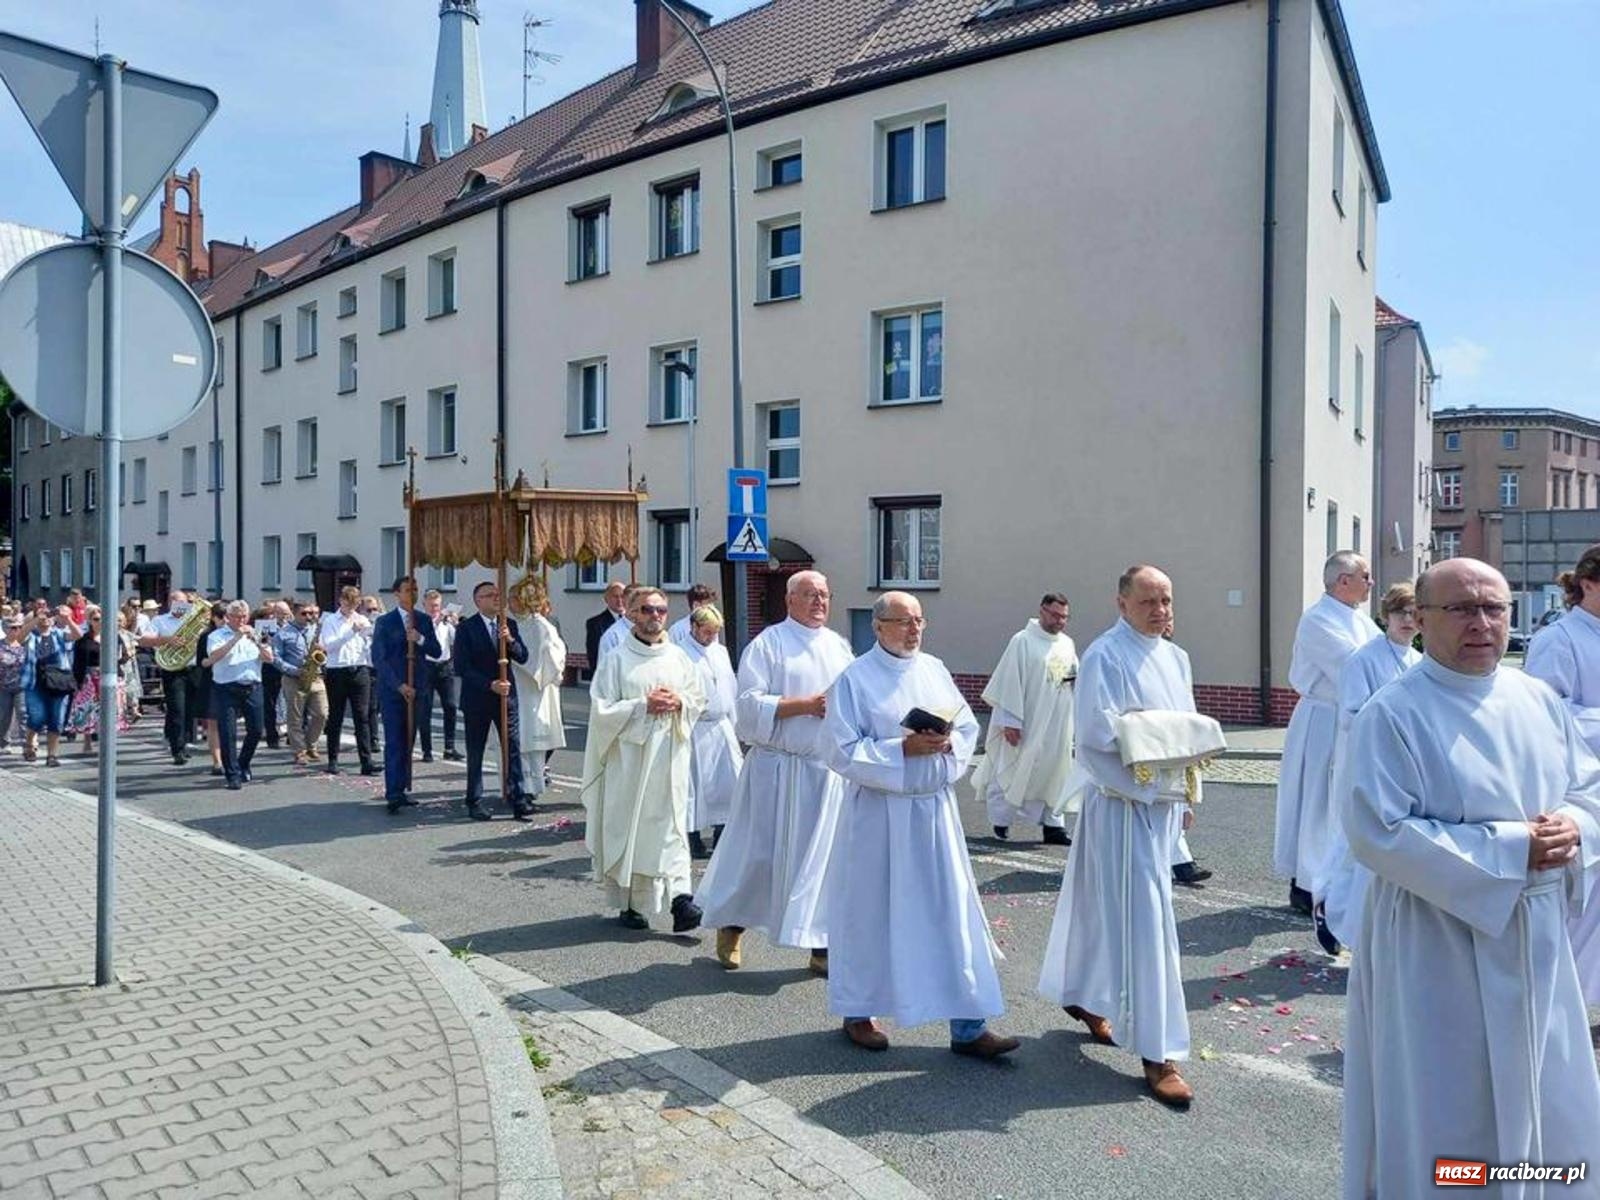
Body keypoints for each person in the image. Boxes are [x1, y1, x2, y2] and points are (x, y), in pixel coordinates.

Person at [1342, 558, 1600, 1199]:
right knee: (1451, 1099)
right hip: (1437, 938)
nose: (1481, 624)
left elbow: (1587, 788)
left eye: (1494, 608)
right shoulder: (1393, 713)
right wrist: (1515, 848)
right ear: (1422, 620)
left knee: (1548, 1092)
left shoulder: (1536, 698)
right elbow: (1380, 831)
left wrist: (1574, 826)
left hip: (1534, 935)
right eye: (1460, 609)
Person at [1038, 565, 1222, 1107]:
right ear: (1122, 604)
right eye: (1148, 601)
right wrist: (1150, 773)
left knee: (1103, 910)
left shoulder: (1177, 656)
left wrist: (1186, 793)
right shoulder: (1104, 655)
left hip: (1161, 807)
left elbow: (1186, 733)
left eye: (1167, 599)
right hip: (1121, 805)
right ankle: (1156, 1051)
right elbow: (1096, 736)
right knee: (1144, 924)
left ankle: (1079, 993)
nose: (1161, 610)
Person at [823, 592, 1018, 1058]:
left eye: (919, 621)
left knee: (950, 913)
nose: (913, 629)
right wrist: (899, 750)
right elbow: (840, 750)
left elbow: (968, 726)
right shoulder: (855, 678)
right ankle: (859, 1012)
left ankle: (969, 1025)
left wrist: (948, 743)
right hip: (879, 816)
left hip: (934, 812)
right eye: (903, 621)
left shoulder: (933, 668)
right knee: (873, 913)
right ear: (877, 626)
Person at [697, 571, 854, 973]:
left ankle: (822, 946)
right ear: (789, 600)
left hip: (824, 772)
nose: (819, 601)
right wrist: (803, 705)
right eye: (809, 594)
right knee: (759, 855)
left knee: (823, 861)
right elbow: (746, 705)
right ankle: (731, 926)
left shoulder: (838, 646)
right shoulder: (768, 644)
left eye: (824, 594)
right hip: (776, 769)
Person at [582, 586, 707, 931]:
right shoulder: (616, 660)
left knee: (672, 828)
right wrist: (642, 706)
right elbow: (601, 710)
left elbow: (699, 697)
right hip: (632, 763)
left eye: (661, 610)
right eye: (648, 610)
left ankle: (682, 901)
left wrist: (680, 702)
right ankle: (634, 904)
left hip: (671, 757)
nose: (655, 616)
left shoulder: (678, 657)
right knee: (636, 830)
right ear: (632, 614)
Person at [1312, 582, 1420, 956]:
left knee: (1384, 850)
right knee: (1353, 843)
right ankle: (1327, 905)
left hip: (1404, 770)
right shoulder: (1364, 659)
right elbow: (1352, 715)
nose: (1407, 620)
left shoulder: (1417, 661)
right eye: (1399, 612)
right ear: (1385, 616)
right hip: (1367, 763)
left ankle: (1369, 926)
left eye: (1413, 613)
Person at [1274, 551, 1378, 913]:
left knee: (1341, 803)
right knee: (1316, 802)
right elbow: (1356, 665)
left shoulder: (1361, 621)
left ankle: (1336, 880)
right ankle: (1306, 883)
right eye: (1365, 575)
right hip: (1323, 718)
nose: (1371, 582)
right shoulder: (1317, 620)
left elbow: (1382, 656)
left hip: (1352, 719)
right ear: (1343, 581)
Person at [1523, 542, 1600, 1004]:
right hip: (1576, 785)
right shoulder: (1560, 638)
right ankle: (1558, 999)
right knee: (1580, 899)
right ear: (1588, 584)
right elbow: (1545, 713)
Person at [970, 593, 1076, 845]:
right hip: (1026, 719)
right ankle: (1001, 820)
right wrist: (1010, 721)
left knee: (1055, 770)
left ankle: (1053, 826)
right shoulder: (1022, 641)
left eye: (1064, 617)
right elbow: (1009, 681)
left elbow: (1073, 675)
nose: (1060, 621)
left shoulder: (1067, 643)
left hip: (1057, 722)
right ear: (1042, 611)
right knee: (1013, 767)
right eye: (1055, 615)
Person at [454, 580, 532, 821]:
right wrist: (490, 684)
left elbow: (523, 657)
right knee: (476, 751)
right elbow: (462, 667)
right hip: (478, 698)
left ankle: (517, 797)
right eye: (490, 595)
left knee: (513, 748)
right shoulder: (466, 629)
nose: (496, 599)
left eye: (498, 595)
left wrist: (509, 641)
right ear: (478, 601)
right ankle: (474, 800)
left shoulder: (508, 625)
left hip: (506, 699)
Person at [371, 576, 442, 813]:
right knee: (395, 741)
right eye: (407, 590)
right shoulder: (385, 622)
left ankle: (401, 787)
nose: (411, 594)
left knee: (409, 741)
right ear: (396, 594)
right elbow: (379, 659)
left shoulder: (422, 620)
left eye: (415, 590)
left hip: (418, 687)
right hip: (394, 691)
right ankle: (393, 793)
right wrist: (399, 685)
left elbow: (436, 649)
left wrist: (419, 639)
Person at [681, 604, 742, 859]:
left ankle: (722, 835)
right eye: (706, 632)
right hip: (696, 728)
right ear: (694, 627)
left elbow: (730, 686)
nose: (710, 638)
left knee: (730, 783)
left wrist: (736, 724)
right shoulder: (680, 653)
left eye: (714, 633)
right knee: (694, 787)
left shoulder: (720, 651)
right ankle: (692, 838)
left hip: (721, 725)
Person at [203, 600, 274, 791]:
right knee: (228, 733)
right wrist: (235, 638)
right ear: (228, 617)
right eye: (237, 616)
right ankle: (232, 775)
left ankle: (243, 763)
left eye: (244, 616)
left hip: (253, 685)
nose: (242, 619)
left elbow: (269, 658)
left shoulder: (257, 634)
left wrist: (257, 641)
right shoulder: (217, 635)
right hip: (226, 688)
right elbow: (215, 656)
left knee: (257, 730)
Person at [508, 581, 566, 799]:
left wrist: (510, 654)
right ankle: (522, 785)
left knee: (527, 741)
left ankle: (527, 788)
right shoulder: (524, 623)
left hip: (530, 690)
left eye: (513, 598)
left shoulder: (537, 626)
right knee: (523, 742)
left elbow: (535, 662)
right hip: (526, 690)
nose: (509, 603)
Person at [318, 586, 377, 776]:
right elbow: (329, 646)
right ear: (340, 601)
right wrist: (351, 631)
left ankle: (366, 761)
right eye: (347, 602)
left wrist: (370, 642)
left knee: (363, 716)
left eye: (354, 603)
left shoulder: (362, 620)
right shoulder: (330, 621)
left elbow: (367, 646)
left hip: (359, 669)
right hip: (337, 671)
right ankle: (333, 760)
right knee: (336, 716)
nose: (351, 607)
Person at [141, 590, 203, 766]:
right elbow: (144, 640)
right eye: (177, 603)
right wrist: (167, 640)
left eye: (184, 603)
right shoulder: (159, 621)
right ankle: (177, 749)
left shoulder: (193, 620)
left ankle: (182, 742)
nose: (181, 606)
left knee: (190, 709)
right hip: (173, 670)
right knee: (177, 708)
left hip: (193, 668)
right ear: (170, 603)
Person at [65, 608, 131, 754]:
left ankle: (107, 743)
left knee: (111, 710)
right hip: (89, 677)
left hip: (110, 676)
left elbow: (125, 655)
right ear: (89, 621)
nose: (99, 622)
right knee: (89, 710)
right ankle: (87, 742)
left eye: (101, 619)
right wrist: (77, 682)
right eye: (95, 619)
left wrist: (116, 663)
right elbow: (78, 662)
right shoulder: (84, 639)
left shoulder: (114, 637)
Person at [22, 608, 79, 766]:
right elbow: (19, 637)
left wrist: (67, 619)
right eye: (42, 616)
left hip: (58, 682)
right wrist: (34, 620)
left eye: (48, 615)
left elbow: (77, 635)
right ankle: (28, 744)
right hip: (35, 683)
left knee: (57, 719)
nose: (45, 618)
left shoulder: (58, 634)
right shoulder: (31, 635)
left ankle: (52, 756)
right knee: (37, 717)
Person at [275, 600, 328, 766]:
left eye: (311, 613)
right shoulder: (283, 633)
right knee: (295, 717)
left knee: (322, 714)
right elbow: (276, 658)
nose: (308, 617)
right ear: (294, 614)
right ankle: (299, 751)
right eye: (304, 614)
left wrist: (323, 650)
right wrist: (294, 670)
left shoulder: (317, 630)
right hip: (293, 678)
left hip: (315, 676)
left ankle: (311, 743)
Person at [420, 590, 462, 762]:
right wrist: (434, 623)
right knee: (425, 709)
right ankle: (427, 750)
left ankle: (449, 747)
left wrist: (456, 624)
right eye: (431, 605)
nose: (434, 609)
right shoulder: (420, 621)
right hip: (426, 666)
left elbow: (457, 641)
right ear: (424, 605)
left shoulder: (446, 623)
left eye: (437, 605)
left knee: (451, 706)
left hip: (445, 667)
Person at [257, 599, 291, 749]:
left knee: (292, 702)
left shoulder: (292, 626)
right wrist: (266, 640)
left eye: (285, 613)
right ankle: (272, 736)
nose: (283, 616)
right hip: (271, 668)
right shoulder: (266, 626)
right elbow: (261, 644)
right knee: (270, 703)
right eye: (280, 613)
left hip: (289, 667)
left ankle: (293, 735)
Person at [594, 584, 649, 669]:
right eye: (633, 603)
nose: (639, 609)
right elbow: (606, 673)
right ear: (624, 603)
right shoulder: (612, 636)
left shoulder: (652, 632)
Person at [585, 580, 627, 678]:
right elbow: (594, 655)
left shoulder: (635, 621)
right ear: (606, 599)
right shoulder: (595, 624)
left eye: (622, 596)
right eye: (615, 596)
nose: (620, 600)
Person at [360, 595, 385, 753]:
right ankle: (373, 739)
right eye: (369, 610)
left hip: (381, 668)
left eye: (375, 609)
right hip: (365, 667)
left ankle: (371, 735)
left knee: (379, 705)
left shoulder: (382, 623)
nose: (372, 612)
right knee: (371, 706)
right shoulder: (359, 623)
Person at [0, 614, 29, 752]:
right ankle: (4, 743)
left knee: (23, 714)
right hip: (3, 686)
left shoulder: (24, 645)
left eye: (18, 627)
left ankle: (26, 744)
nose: (16, 630)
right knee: (4, 716)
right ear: (5, 629)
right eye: (13, 628)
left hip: (21, 686)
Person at [669, 583, 717, 649]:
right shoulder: (677, 630)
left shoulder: (712, 627)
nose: (712, 609)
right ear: (696, 605)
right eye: (708, 606)